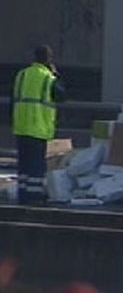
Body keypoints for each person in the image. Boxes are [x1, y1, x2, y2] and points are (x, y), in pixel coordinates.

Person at [11, 45, 66, 205]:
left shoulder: (22, 75)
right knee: (36, 164)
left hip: (21, 127)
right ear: (48, 59)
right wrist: (56, 74)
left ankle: (23, 193)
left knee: (23, 163)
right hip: (38, 128)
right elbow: (61, 96)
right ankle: (35, 195)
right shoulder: (49, 78)